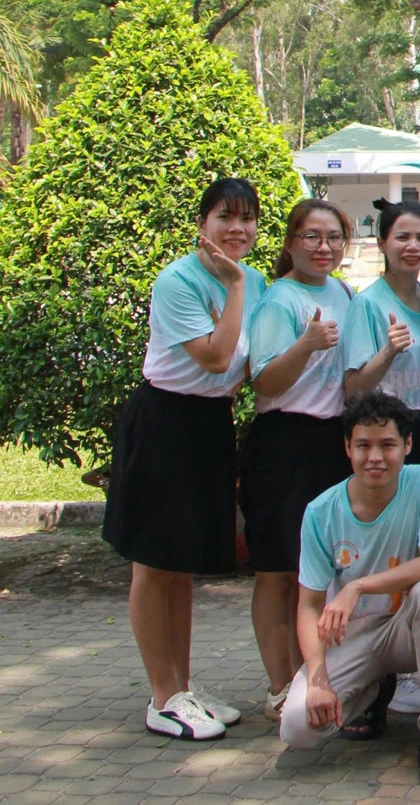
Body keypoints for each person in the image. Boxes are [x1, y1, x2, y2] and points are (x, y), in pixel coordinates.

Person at [104, 178, 270, 740]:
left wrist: (246, 285)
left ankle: (182, 685)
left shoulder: (259, 279)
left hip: (209, 425)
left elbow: (254, 363)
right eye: (226, 217)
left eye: (248, 219)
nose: (238, 229)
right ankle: (162, 697)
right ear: (203, 224)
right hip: (164, 422)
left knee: (181, 565)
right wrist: (237, 288)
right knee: (153, 564)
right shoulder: (177, 280)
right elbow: (217, 356)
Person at [277, 392, 420, 787]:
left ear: (407, 445)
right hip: (353, 636)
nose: (375, 457)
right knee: (298, 728)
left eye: (388, 445)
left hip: (405, 630)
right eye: (363, 445)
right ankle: (373, 691)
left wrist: (357, 586)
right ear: (347, 447)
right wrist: (317, 679)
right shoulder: (320, 512)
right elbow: (309, 606)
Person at [244, 197, 356, 722]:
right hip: (282, 444)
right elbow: (263, 380)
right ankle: (278, 683)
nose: (323, 247)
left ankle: (317, 677)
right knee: (279, 571)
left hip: (330, 443)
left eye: (333, 237)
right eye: (311, 236)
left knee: (321, 572)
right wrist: (306, 344)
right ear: (291, 243)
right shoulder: (279, 300)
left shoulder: (346, 294)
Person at [343, 200, 420, 460]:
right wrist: (388, 352)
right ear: (381, 244)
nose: (413, 246)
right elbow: (353, 389)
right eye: (402, 237)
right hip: (386, 430)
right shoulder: (367, 303)